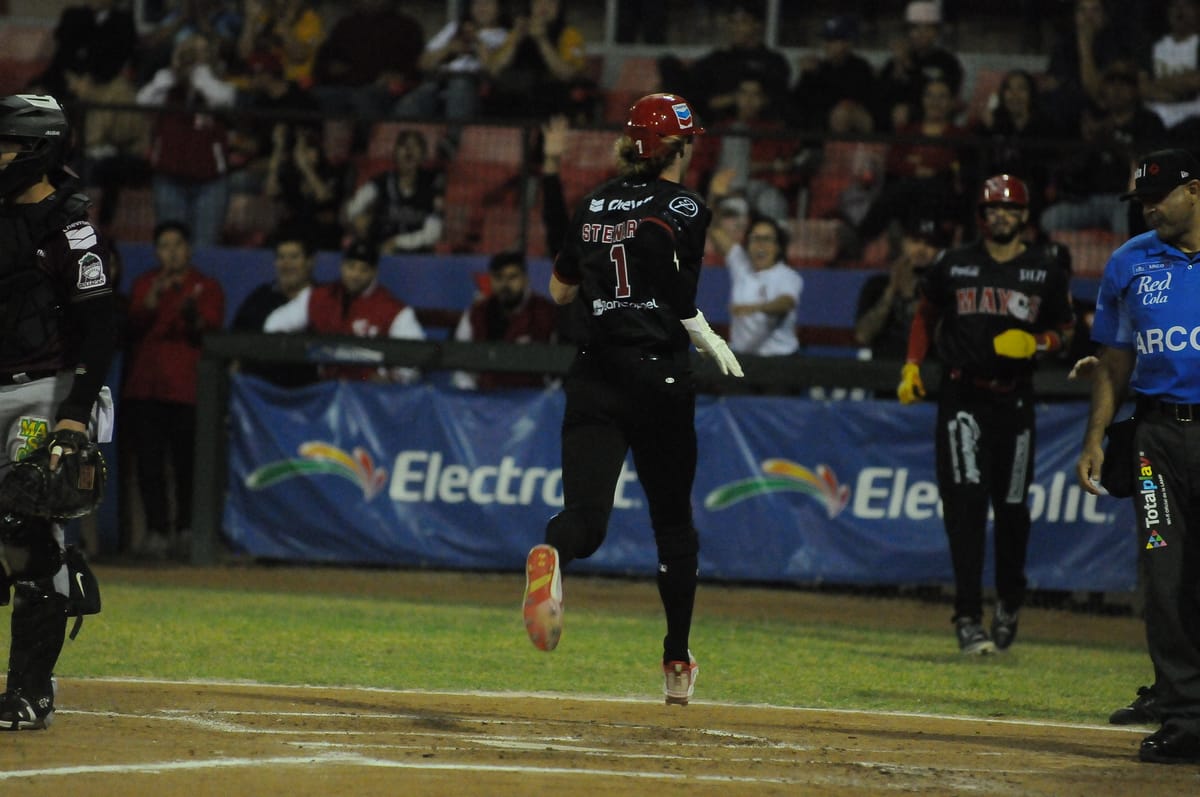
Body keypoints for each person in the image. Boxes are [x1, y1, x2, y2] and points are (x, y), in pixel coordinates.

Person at [521, 93, 744, 707]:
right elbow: (680, 294)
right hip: (658, 378)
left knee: (586, 520)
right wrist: (702, 333)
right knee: (672, 524)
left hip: (594, 374)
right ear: (675, 147)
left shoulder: (593, 202)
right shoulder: (685, 206)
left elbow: (559, 293)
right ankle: (676, 658)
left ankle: (553, 551)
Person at [898, 174, 1075, 655]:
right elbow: (925, 313)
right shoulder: (953, 264)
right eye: (994, 208)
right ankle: (968, 616)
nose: (1002, 215)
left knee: (1013, 509)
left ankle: (1010, 602)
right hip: (962, 398)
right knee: (966, 509)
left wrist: (1038, 343)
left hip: (1015, 400)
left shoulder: (1045, 268)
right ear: (982, 215)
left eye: (1011, 209)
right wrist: (913, 365)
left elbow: (1067, 328)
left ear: (1025, 216)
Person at [1076, 148, 1200, 764]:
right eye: (1140, 201)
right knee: (1163, 576)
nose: (1148, 210)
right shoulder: (1128, 263)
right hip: (1155, 438)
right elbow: (1115, 360)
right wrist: (1096, 437)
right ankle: (1183, 716)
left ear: (1195, 192)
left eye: (1158, 198)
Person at [0, 94, 116, 730]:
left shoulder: (73, 229)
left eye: (5, 144)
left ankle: (28, 692)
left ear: (37, 149)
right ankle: (63, 578)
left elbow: (100, 329)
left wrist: (75, 415)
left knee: (24, 527)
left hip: (47, 391)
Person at [123, 220, 225, 560]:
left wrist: (190, 312)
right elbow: (132, 323)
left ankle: (185, 530)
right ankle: (156, 531)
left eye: (177, 245)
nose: (171, 252)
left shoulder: (205, 286)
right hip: (146, 389)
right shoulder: (144, 284)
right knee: (149, 466)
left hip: (186, 390)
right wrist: (152, 299)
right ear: (156, 252)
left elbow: (209, 328)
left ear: (189, 249)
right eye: (164, 246)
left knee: (186, 465)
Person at [263, 238, 425, 383]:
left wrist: (390, 379)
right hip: (325, 392)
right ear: (342, 266)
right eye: (351, 267)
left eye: (363, 269)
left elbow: (414, 360)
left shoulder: (394, 310)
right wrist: (307, 348)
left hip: (370, 399)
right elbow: (273, 325)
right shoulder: (319, 297)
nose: (355, 274)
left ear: (374, 272)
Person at [136, 33, 237, 248]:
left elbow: (222, 100)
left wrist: (199, 75)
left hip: (210, 180)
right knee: (171, 243)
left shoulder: (220, 85)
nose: (194, 57)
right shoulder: (166, 83)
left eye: (200, 52)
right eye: (189, 51)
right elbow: (143, 101)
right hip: (169, 177)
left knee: (205, 245)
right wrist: (172, 74)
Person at [658, 1, 790, 127]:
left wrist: (742, 99)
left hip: (762, 134)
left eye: (743, 22)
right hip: (717, 132)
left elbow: (777, 100)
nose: (736, 28)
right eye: (733, 22)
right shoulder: (717, 60)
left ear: (757, 25)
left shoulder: (773, 61)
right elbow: (694, 95)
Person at [451, 251, 559, 390]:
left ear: (525, 278)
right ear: (491, 279)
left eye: (512, 277)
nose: (505, 284)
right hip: (484, 399)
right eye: (498, 277)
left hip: (532, 401)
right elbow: (460, 361)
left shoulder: (547, 313)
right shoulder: (476, 313)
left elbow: (559, 371)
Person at [854, 217, 951, 361]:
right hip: (884, 369)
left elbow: (945, 342)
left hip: (928, 371)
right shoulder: (877, 284)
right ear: (903, 243)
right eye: (915, 241)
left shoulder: (947, 289)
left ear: (940, 251)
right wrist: (891, 291)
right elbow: (862, 336)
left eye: (929, 244)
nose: (921, 249)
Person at [396, 0, 510, 122]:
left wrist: (477, 41)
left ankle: (454, 138)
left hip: (474, 88)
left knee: (460, 86)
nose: (481, 8)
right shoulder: (454, 27)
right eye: (477, 3)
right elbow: (423, 63)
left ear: (500, 8)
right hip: (438, 83)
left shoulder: (505, 36)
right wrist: (449, 49)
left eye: (487, 3)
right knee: (410, 104)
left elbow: (492, 69)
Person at [231, 229, 319, 387]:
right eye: (281, 257)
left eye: (293, 257)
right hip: (261, 395)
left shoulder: (324, 300)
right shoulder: (260, 298)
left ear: (310, 261)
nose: (286, 264)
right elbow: (235, 345)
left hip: (310, 395)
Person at [710, 213, 803, 356]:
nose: (761, 244)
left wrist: (754, 308)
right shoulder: (741, 264)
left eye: (767, 239)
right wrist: (715, 197)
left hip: (781, 359)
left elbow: (786, 303)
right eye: (755, 238)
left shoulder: (787, 276)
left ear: (778, 247)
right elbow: (714, 230)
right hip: (742, 358)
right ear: (748, 244)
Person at [342, 129, 445, 255]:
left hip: (417, 256)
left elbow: (433, 234)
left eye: (415, 146)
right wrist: (356, 217)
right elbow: (352, 208)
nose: (409, 150)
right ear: (395, 152)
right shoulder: (381, 182)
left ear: (423, 154)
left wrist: (397, 242)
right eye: (403, 145)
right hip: (381, 252)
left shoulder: (433, 184)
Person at [483, 0, 589, 122]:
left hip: (554, 100)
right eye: (538, 2)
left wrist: (542, 40)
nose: (544, 6)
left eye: (550, 3)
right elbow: (494, 70)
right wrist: (516, 40)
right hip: (515, 98)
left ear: (559, 8)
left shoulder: (570, 34)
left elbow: (568, 74)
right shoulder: (517, 32)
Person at [874, 1, 964, 131]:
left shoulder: (948, 62)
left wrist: (909, 68)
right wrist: (898, 70)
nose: (921, 34)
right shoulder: (896, 60)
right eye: (916, 28)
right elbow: (881, 95)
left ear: (936, 32)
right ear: (909, 32)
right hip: (892, 117)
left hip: (929, 116)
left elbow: (943, 96)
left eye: (927, 28)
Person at [788, 15, 876, 133]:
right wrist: (806, 75)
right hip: (820, 130)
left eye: (833, 40)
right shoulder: (820, 67)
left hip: (852, 130)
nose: (827, 45)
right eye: (826, 40)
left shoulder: (860, 67)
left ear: (847, 43)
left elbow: (851, 99)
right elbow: (799, 100)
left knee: (842, 113)